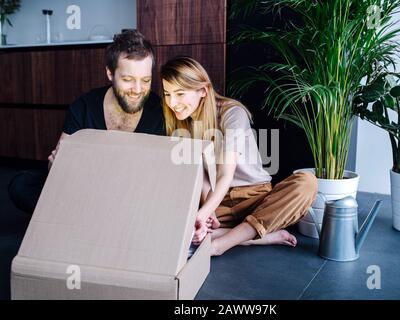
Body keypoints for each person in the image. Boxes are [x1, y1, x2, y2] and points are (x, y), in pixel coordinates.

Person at [160, 56, 318, 256]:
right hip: (219, 203)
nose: (173, 103)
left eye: (180, 94)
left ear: (203, 90)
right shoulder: (182, 125)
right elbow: (203, 179)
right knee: (165, 225)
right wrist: (209, 211)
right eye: (167, 94)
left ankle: (219, 244)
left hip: (255, 197)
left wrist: (205, 212)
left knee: (306, 183)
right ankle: (257, 237)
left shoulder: (232, 113)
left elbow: (227, 173)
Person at [8, 30, 165, 215]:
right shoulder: (84, 106)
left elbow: (157, 175)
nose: (137, 90)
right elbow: (59, 165)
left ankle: (84, 214)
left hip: (132, 189)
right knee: (21, 185)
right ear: (110, 73)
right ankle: (92, 212)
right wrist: (57, 164)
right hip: (85, 187)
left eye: (145, 80)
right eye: (128, 80)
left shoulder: (159, 111)